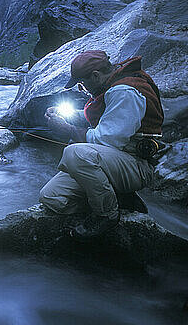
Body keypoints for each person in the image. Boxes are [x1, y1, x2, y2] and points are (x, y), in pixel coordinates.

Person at [39, 50, 164, 238]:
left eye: (82, 84)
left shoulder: (124, 92)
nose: (82, 89)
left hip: (136, 165)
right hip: (112, 163)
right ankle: (117, 198)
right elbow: (108, 120)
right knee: (50, 197)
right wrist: (65, 115)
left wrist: (68, 130)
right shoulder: (112, 85)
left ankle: (106, 214)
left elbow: (107, 140)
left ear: (95, 76)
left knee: (75, 154)